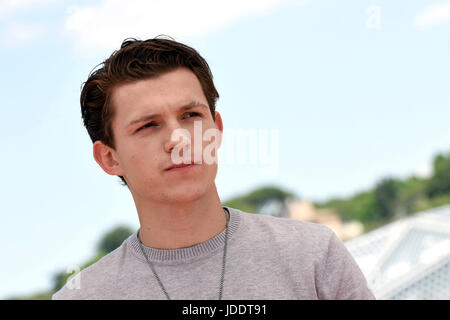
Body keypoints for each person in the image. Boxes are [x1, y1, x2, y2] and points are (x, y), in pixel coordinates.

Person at [52, 36, 375, 300]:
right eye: (148, 126)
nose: (178, 139)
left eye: (191, 115)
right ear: (109, 158)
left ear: (216, 129)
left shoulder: (313, 254)